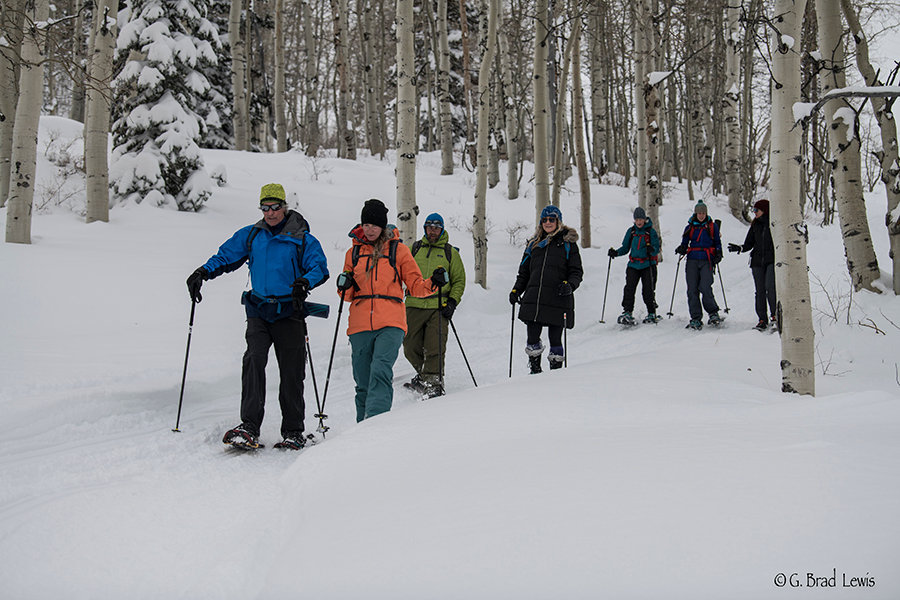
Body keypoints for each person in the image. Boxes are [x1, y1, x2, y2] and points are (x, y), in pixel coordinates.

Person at [186, 183, 329, 449]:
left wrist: (304, 282)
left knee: (291, 372)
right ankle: (249, 426)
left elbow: (319, 267)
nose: (270, 213)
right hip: (259, 310)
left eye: (275, 207)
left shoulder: (302, 238)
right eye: (265, 208)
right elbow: (226, 256)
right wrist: (202, 273)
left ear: (284, 207)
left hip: (289, 312)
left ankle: (293, 431)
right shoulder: (252, 235)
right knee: (253, 360)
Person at [336, 199, 449, 422]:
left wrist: (433, 283)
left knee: (380, 370)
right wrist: (344, 285)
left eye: (374, 225)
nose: (369, 230)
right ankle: (362, 427)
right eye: (366, 225)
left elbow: (416, 286)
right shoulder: (353, 253)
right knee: (362, 380)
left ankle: (376, 423)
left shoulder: (399, 251)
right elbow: (346, 296)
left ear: (382, 226)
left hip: (391, 322)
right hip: (359, 325)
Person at [509, 205, 584, 374]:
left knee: (555, 339)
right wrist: (516, 290)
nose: (548, 222)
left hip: (558, 298)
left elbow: (576, 272)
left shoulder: (568, 243)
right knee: (532, 337)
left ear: (558, 221)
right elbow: (524, 273)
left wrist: (570, 286)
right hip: (534, 298)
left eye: (552, 219)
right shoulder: (533, 244)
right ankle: (535, 370)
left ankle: (555, 374)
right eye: (544, 219)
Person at [402, 212, 466, 398]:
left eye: (436, 228)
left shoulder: (450, 252)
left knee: (434, 345)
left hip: (438, 305)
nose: (432, 231)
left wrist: (452, 302)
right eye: (429, 227)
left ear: (442, 229)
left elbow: (459, 280)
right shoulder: (414, 249)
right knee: (409, 344)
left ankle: (433, 383)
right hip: (413, 304)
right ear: (425, 229)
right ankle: (423, 375)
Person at [728, 199, 776, 331]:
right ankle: (762, 319)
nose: (754, 212)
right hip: (757, 262)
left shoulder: (774, 224)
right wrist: (740, 248)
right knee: (759, 291)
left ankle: (775, 316)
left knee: (770, 287)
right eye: (753, 210)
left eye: (756, 210)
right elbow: (749, 243)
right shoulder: (755, 224)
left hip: (771, 260)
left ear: (764, 210)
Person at [675, 200, 723, 330]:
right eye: (699, 213)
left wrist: (719, 253)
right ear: (696, 214)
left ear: (706, 213)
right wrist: (681, 248)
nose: (701, 215)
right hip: (692, 260)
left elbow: (717, 242)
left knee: (705, 287)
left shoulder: (712, 226)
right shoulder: (690, 227)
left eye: (703, 213)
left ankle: (713, 312)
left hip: (707, 259)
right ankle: (695, 318)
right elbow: (685, 243)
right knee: (692, 289)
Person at [609, 206, 661, 325]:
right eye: (636, 219)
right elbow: (625, 248)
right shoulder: (631, 231)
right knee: (629, 289)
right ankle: (627, 312)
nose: (639, 222)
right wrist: (616, 253)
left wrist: (652, 250)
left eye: (640, 219)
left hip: (648, 265)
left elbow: (656, 248)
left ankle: (651, 312)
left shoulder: (650, 232)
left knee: (648, 290)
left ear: (644, 219)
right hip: (633, 265)